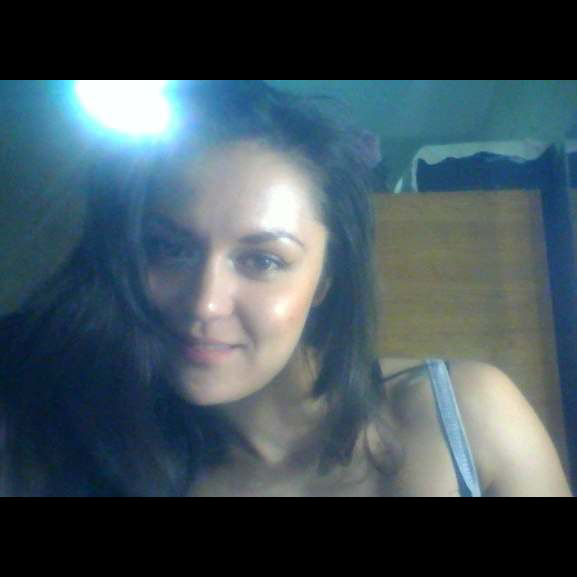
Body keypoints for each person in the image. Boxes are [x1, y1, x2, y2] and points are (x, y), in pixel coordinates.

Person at [0, 80, 571, 497]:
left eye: (263, 260)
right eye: (170, 248)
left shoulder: (467, 416)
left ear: (325, 280)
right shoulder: (93, 457)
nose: (203, 303)